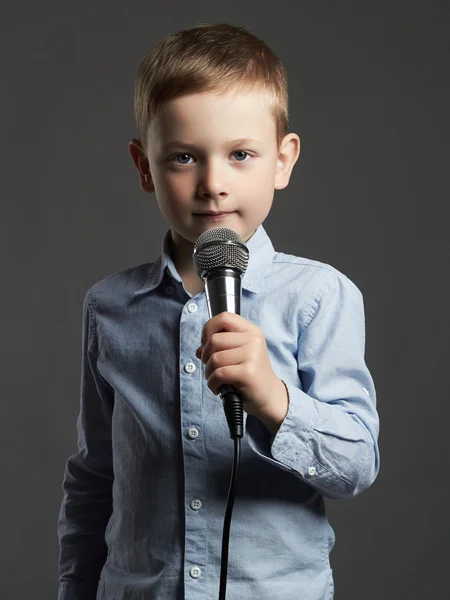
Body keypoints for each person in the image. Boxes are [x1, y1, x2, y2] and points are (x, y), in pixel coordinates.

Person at [57, 22, 380, 600]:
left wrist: (273, 399)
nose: (213, 184)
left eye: (241, 155)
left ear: (282, 162)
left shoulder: (318, 296)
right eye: (183, 157)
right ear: (143, 166)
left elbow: (355, 463)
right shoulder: (110, 308)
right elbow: (94, 476)